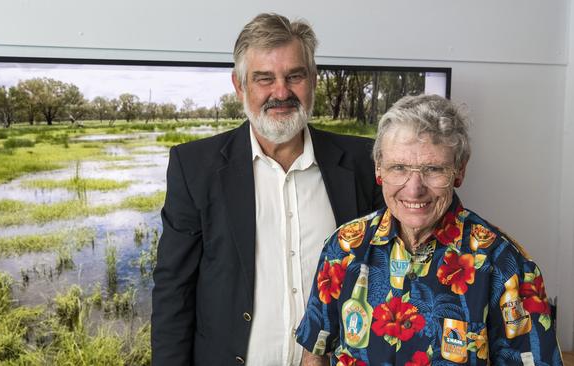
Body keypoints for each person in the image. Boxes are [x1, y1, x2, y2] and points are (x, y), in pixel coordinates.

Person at [151, 13, 384, 366]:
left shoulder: (362, 162)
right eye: (264, 79)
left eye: (295, 76)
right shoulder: (194, 167)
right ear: (240, 85)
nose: (281, 92)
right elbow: (174, 290)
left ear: (313, 80)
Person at [296, 94, 563, 365]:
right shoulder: (344, 247)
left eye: (433, 169)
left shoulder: (505, 265)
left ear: (459, 171)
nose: (414, 189)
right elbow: (315, 353)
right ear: (379, 170)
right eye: (398, 168)